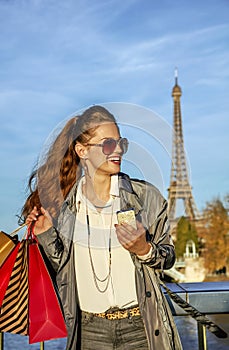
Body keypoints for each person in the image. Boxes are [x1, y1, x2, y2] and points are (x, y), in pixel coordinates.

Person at [23, 105, 182, 349]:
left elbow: (168, 257)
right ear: (82, 150)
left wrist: (144, 249)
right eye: (108, 144)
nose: (117, 150)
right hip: (89, 331)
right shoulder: (64, 207)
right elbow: (60, 270)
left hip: (140, 328)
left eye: (121, 143)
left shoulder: (146, 198)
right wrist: (44, 231)